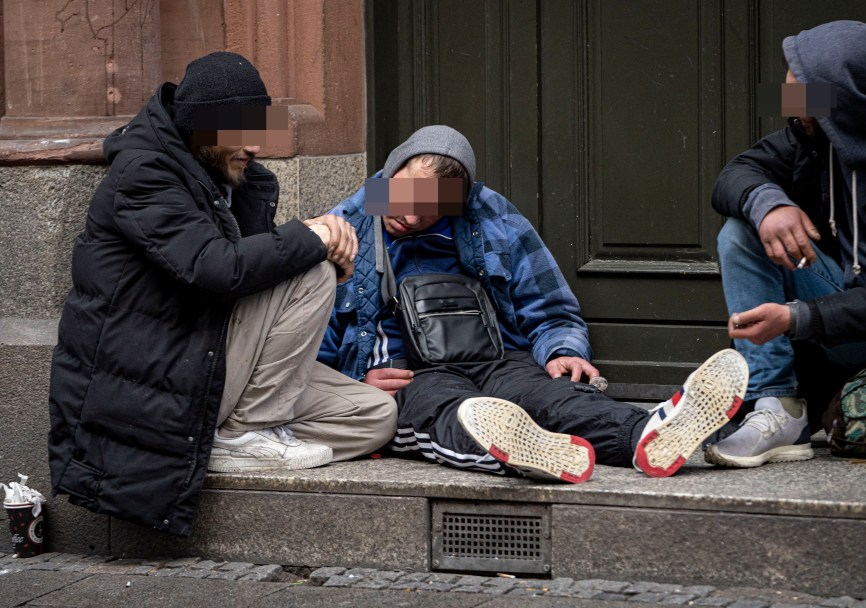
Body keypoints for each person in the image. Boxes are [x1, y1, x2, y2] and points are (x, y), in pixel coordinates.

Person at [47, 52, 396, 536]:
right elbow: (217, 270)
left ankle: (219, 441)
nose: (256, 146)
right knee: (310, 269)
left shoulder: (236, 182)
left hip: (211, 354)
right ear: (201, 127)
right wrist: (314, 242)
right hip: (160, 369)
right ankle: (247, 432)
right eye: (242, 131)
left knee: (375, 415)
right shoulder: (144, 175)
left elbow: (257, 282)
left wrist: (323, 259)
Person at [319, 125, 750, 482]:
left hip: (497, 357)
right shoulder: (343, 230)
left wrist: (563, 350)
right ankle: (521, 452)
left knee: (553, 398)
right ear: (389, 173)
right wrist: (351, 388)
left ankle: (646, 435)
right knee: (449, 413)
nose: (411, 216)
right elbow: (311, 346)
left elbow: (548, 304)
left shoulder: (488, 214)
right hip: (407, 374)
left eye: (429, 210)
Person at [706, 21, 866, 476]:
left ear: (843, 103)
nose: (791, 109)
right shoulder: (817, 129)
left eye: (801, 99)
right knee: (741, 229)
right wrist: (768, 205)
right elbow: (736, 172)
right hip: (844, 320)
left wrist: (796, 318)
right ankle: (778, 407)